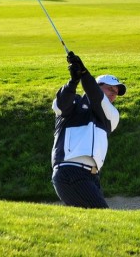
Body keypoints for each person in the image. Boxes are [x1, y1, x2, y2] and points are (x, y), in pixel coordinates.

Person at [51, 51, 125, 209]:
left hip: (92, 177)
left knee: (90, 219)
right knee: (102, 215)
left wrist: (84, 74)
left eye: (116, 92)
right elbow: (59, 105)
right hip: (70, 171)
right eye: (110, 89)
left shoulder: (111, 115)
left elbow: (97, 97)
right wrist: (73, 81)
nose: (113, 95)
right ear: (98, 86)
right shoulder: (73, 104)